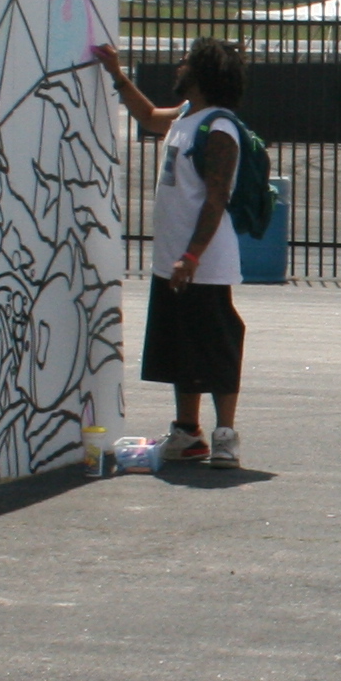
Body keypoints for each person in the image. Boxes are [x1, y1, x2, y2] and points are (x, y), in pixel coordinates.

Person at [91, 35, 252, 467]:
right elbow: (147, 117)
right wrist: (116, 73)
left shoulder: (219, 129)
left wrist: (192, 256)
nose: (179, 67)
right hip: (173, 260)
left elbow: (216, 199)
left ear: (203, 73)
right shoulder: (186, 116)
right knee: (183, 348)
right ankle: (187, 433)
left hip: (204, 264)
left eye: (186, 62)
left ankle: (225, 436)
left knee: (216, 347)